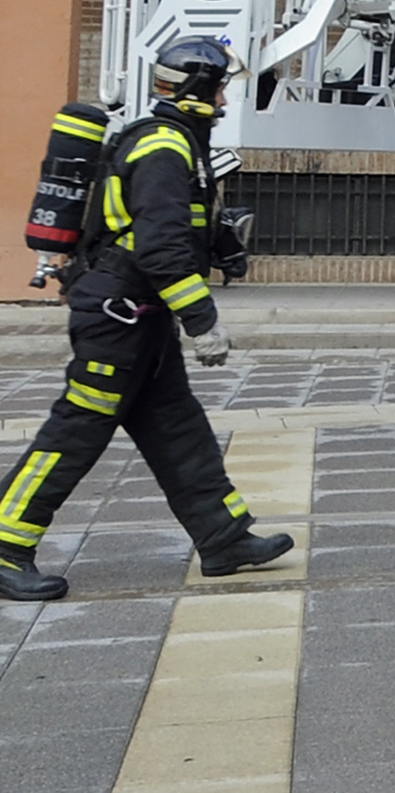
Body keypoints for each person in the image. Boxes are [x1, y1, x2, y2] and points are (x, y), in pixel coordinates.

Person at [0, 39, 293, 602]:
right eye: (221, 86)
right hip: (119, 315)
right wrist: (201, 319)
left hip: (138, 314)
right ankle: (6, 543)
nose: (226, 97)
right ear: (199, 89)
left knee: (176, 425)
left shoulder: (173, 141)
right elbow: (160, 247)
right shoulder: (164, 148)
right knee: (77, 430)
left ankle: (222, 536)